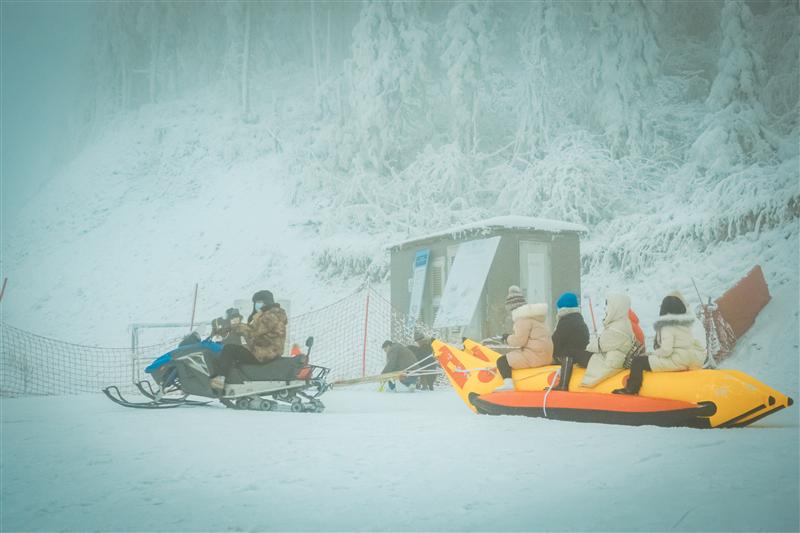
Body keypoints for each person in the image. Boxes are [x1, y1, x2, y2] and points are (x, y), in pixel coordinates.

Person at [613, 292, 706, 395]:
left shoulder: (667, 325)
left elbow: (666, 351)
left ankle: (631, 389)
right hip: (691, 358)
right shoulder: (685, 323)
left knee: (638, 361)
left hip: (677, 359)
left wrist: (652, 354)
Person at [209, 290, 288, 391]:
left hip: (264, 353)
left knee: (229, 349)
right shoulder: (274, 314)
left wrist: (232, 328)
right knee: (237, 350)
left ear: (267, 302)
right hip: (268, 351)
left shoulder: (270, 316)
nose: (256, 305)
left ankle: (219, 381)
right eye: (255, 302)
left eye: (259, 302)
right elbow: (255, 331)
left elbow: (253, 332)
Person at [495, 285, 554, 391]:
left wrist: (507, 338)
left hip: (536, 356)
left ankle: (508, 384)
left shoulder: (522, 320)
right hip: (546, 356)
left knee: (502, 361)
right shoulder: (536, 318)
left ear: (512, 308)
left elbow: (519, 341)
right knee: (513, 356)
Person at [580, 293, 635, 388]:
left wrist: (588, 346)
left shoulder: (617, 328)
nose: (606, 309)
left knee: (578, 355)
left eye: (608, 305)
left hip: (611, 361)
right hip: (614, 357)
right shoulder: (623, 322)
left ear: (616, 308)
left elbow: (599, 345)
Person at [550, 292, 590, 391]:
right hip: (578, 356)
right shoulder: (579, 319)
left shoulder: (566, 322)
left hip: (567, 358)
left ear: (563, 308)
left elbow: (555, 342)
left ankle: (562, 385)